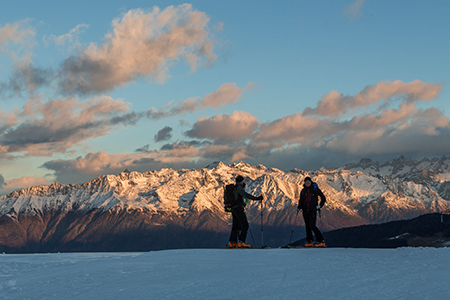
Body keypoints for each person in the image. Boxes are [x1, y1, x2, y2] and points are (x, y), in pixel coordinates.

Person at [228, 175, 263, 248]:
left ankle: (232, 242)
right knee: (245, 225)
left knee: (235, 226)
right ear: (241, 181)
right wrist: (257, 198)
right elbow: (246, 195)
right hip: (238, 209)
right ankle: (241, 242)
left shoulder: (234, 188)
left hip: (233, 209)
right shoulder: (239, 188)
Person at [297, 176, 326, 247]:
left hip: (313, 210)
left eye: (308, 181)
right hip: (305, 210)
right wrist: (299, 207)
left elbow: (323, 198)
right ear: (304, 183)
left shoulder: (315, 189)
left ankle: (321, 241)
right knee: (307, 226)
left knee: (312, 225)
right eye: (306, 182)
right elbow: (301, 200)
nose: (307, 183)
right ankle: (310, 241)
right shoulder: (303, 191)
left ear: (311, 182)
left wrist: (320, 205)